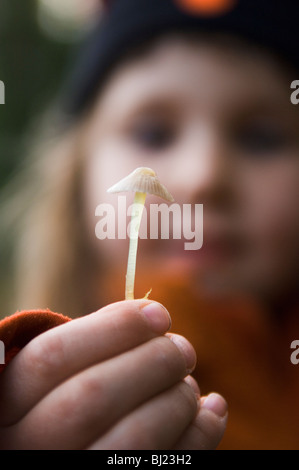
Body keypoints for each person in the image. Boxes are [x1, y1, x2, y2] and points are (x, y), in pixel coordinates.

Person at [0, 0, 298, 450]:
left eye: (261, 137)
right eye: (153, 134)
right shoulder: (16, 382)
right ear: (76, 175)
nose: (204, 177)